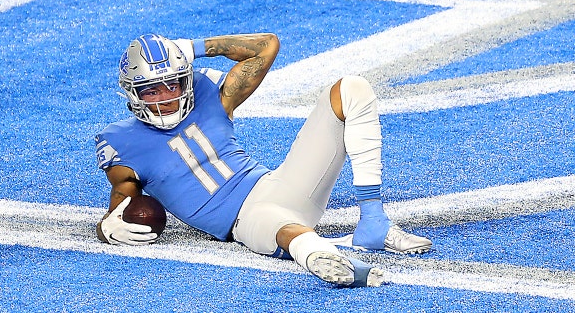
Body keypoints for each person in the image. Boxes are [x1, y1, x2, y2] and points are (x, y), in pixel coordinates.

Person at [94, 33, 432, 287]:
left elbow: (267, 46)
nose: (166, 97)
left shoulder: (211, 94)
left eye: (173, 83)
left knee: (351, 88)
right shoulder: (121, 143)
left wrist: (194, 47)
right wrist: (107, 227)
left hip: (281, 184)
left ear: (186, 77)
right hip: (244, 220)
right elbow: (122, 209)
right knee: (280, 225)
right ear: (132, 92)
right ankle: (327, 259)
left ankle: (374, 222)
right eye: (152, 90)